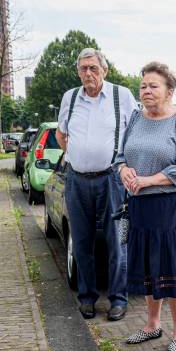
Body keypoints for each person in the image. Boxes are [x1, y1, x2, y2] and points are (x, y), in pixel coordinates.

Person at [117, 62, 176, 351]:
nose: (146, 91)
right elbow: (120, 155)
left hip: (175, 206)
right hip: (142, 205)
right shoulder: (135, 118)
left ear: (169, 91)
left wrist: (148, 180)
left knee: (174, 268)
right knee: (150, 266)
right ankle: (152, 324)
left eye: (153, 86)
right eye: (143, 86)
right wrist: (124, 170)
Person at [56, 48, 137, 321]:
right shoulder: (70, 97)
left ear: (105, 70)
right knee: (81, 242)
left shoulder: (121, 95)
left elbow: (135, 133)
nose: (88, 73)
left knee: (117, 241)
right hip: (77, 179)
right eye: (83, 68)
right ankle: (87, 298)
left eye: (93, 68)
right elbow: (61, 134)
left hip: (112, 179)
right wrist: (77, 154)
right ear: (78, 72)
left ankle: (118, 299)